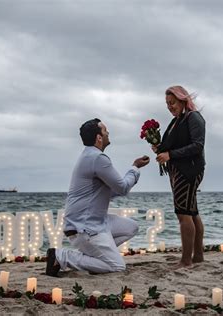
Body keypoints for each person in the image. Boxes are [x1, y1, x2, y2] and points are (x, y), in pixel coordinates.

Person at [46, 118, 150, 276]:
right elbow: (122, 188)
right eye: (105, 130)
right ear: (99, 137)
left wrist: (126, 180)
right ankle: (62, 256)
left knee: (131, 227)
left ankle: (97, 257)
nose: (108, 133)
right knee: (117, 267)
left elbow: (110, 192)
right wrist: (135, 168)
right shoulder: (97, 158)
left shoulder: (90, 156)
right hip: (84, 227)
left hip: (97, 221)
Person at [153, 85, 206, 269]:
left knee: (183, 213)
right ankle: (197, 257)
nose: (170, 107)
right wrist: (158, 148)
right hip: (178, 171)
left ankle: (186, 260)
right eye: (167, 104)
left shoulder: (193, 117)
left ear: (183, 99)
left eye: (173, 102)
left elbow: (197, 146)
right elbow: (170, 146)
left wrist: (170, 155)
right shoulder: (177, 121)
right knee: (192, 212)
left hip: (190, 170)